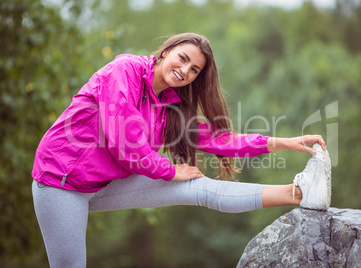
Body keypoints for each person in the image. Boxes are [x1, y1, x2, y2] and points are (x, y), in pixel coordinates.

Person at [32, 33, 331, 267]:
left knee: (197, 188)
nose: (185, 70)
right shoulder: (124, 71)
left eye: (194, 69)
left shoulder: (170, 108)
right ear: (166, 52)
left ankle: (300, 193)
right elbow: (126, 145)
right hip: (61, 182)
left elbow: (219, 140)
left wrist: (282, 142)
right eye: (183, 58)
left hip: (102, 183)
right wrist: (170, 170)